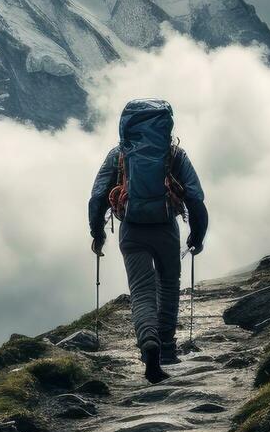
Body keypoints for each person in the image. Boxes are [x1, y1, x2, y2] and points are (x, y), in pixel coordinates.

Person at [88, 98, 208, 383]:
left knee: (141, 291)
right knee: (168, 286)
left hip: (132, 230)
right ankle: (166, 348)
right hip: (165, 228)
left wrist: (97, 233)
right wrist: (197, 235)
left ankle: (148, 346)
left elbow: (97, 197)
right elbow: (195, 196)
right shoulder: (175, 155)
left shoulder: (118, 155)